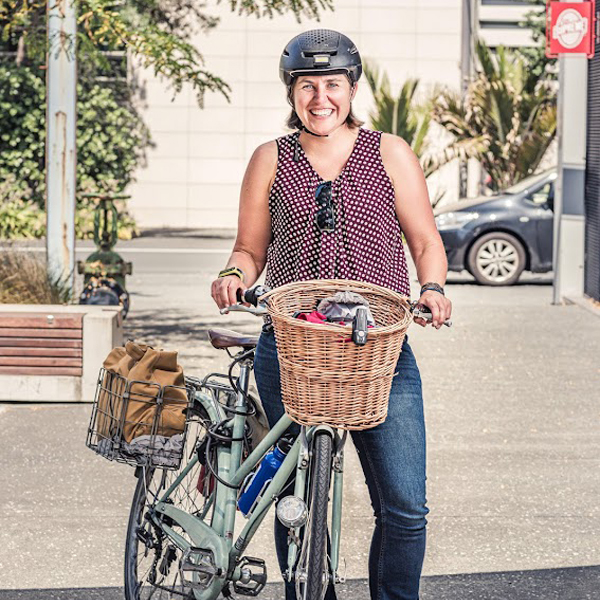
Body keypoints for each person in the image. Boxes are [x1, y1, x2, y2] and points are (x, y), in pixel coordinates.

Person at [211, 28, 452, 600]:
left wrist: (433, 288)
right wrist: (233, 274)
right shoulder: (270, 158)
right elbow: (249, 249)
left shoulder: (390, 152)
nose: (321, 98)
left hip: (380, 349)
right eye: (307, 86)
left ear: (352, 88)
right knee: (294, 497)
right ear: (291, 92)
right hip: (292, 348)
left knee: (405, 506)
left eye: (333, 85)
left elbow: (425, 241)